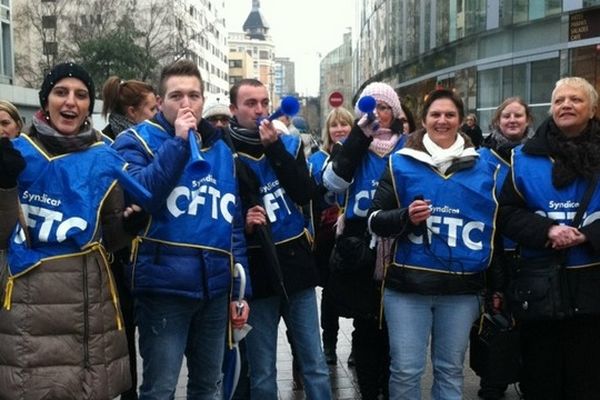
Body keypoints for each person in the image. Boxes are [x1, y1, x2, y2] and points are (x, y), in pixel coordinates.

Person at [112, 59, 250, 399]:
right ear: (160, 102)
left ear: (204, 100)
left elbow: (231, 224)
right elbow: (141, 193)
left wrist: (240, 290)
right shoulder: (135, 141)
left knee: (209, 386)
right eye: (176, 96)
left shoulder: (220, 148)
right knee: (159, 389)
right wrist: (177, 143)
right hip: (163, 289)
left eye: (194, 95)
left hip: (215, 290)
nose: (186, 104)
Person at [0, 62, 132, 399]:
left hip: (89, 312)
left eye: (81, 94)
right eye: (61, 92)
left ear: (90, 105)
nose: (70, 102)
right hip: (31, 314)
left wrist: (131, 225)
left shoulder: (105, 157)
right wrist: (4, 186)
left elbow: (110, 238)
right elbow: (3, 236)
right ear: (46, 101)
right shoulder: (15, 155)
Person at [367, 88, 498, 400]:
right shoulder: (400, 163)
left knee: (450, 370)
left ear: (461, 120)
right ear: (423, 121)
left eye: (450, 114)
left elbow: (499, 227)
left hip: (462, 290)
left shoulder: (487, 167)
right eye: (435, 115)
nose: (443, 120)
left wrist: (497, 286)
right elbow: (373, 220)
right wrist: (405, 216)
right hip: (407, 287)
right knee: (405, 370)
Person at [226, 78, 332, 399]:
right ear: (234, 109)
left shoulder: (287, 143)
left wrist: (273, 148)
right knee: (262, 371)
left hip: (296, 267)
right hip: (258, 272)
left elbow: (304, 191)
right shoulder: (223, 153)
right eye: (250, 104)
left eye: (263, 102)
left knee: (314, 362)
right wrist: (241, 223)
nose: (259, 110)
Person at [498, 77, 600, 399]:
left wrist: (587, 235)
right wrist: (548, 231)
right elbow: (507, 215)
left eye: (576, 99)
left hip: (594, 288)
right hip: (541, 290)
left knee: (588, 380)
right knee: (541, 379)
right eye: (559, 100)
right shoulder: (523, 158)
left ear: (594, 109)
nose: (566, 105)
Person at [322, 81, 408, 399]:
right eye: (371, 108)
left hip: (398, 239)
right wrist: (358, 139)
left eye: (384, 107)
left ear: (395, 112)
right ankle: (370, 391)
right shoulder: (355, 146)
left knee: (394, 324)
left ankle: (388, 386)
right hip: (360, 243)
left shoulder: (408, 145)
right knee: (366, 323)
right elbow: (331, 184)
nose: (378, 114)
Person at [100, 75, 158, 400]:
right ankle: (129, 393)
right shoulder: (106, 143)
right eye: (152, 108)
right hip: (119, 252)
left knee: (146, 335)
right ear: (133, 112)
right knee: (123, 333)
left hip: (146, 250)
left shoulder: (155, 140)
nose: (157, 113)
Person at [477, 97, 535, 400]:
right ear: (497, 120)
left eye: (518, 116)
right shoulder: (481, 157)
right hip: (491, 248)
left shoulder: (538, 155)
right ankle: (492, 383)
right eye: (506, 116)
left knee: (529, 321)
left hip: (528, 250)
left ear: (527, 120)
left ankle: (528, 379)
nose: (512, 120)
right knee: (495, 318)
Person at [307, 106, 353, 366]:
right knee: (330, 292)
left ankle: (359, 345)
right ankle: (330, 344)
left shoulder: (362, 156)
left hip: (354, 235)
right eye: (334, 126)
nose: (339, 130)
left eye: (345, 124)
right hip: (327, 238)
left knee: (359, 289)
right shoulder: (317, 159)